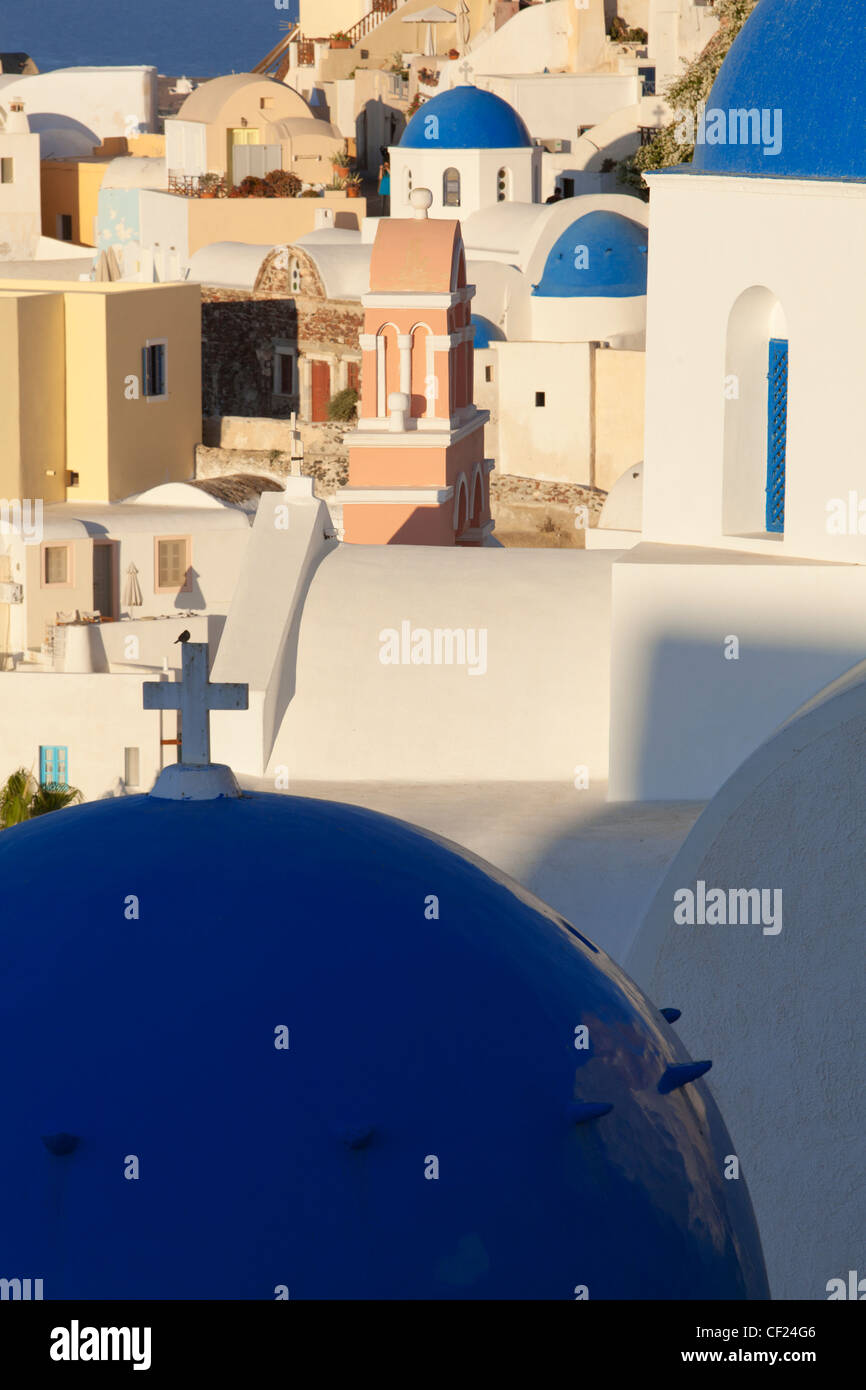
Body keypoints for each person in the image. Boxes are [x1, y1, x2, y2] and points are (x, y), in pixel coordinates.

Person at [378, 146, 391, 212]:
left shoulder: (390, 169)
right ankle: (382, 214)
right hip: (383, 188)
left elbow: (392, 175)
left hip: (389, 188)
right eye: (385, 164)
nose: (385, 165)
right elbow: (380, 178)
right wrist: (381, 170)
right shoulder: (383, 170)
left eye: (387, 164)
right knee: (382, 205)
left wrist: (387, 169)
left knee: (389, 204)